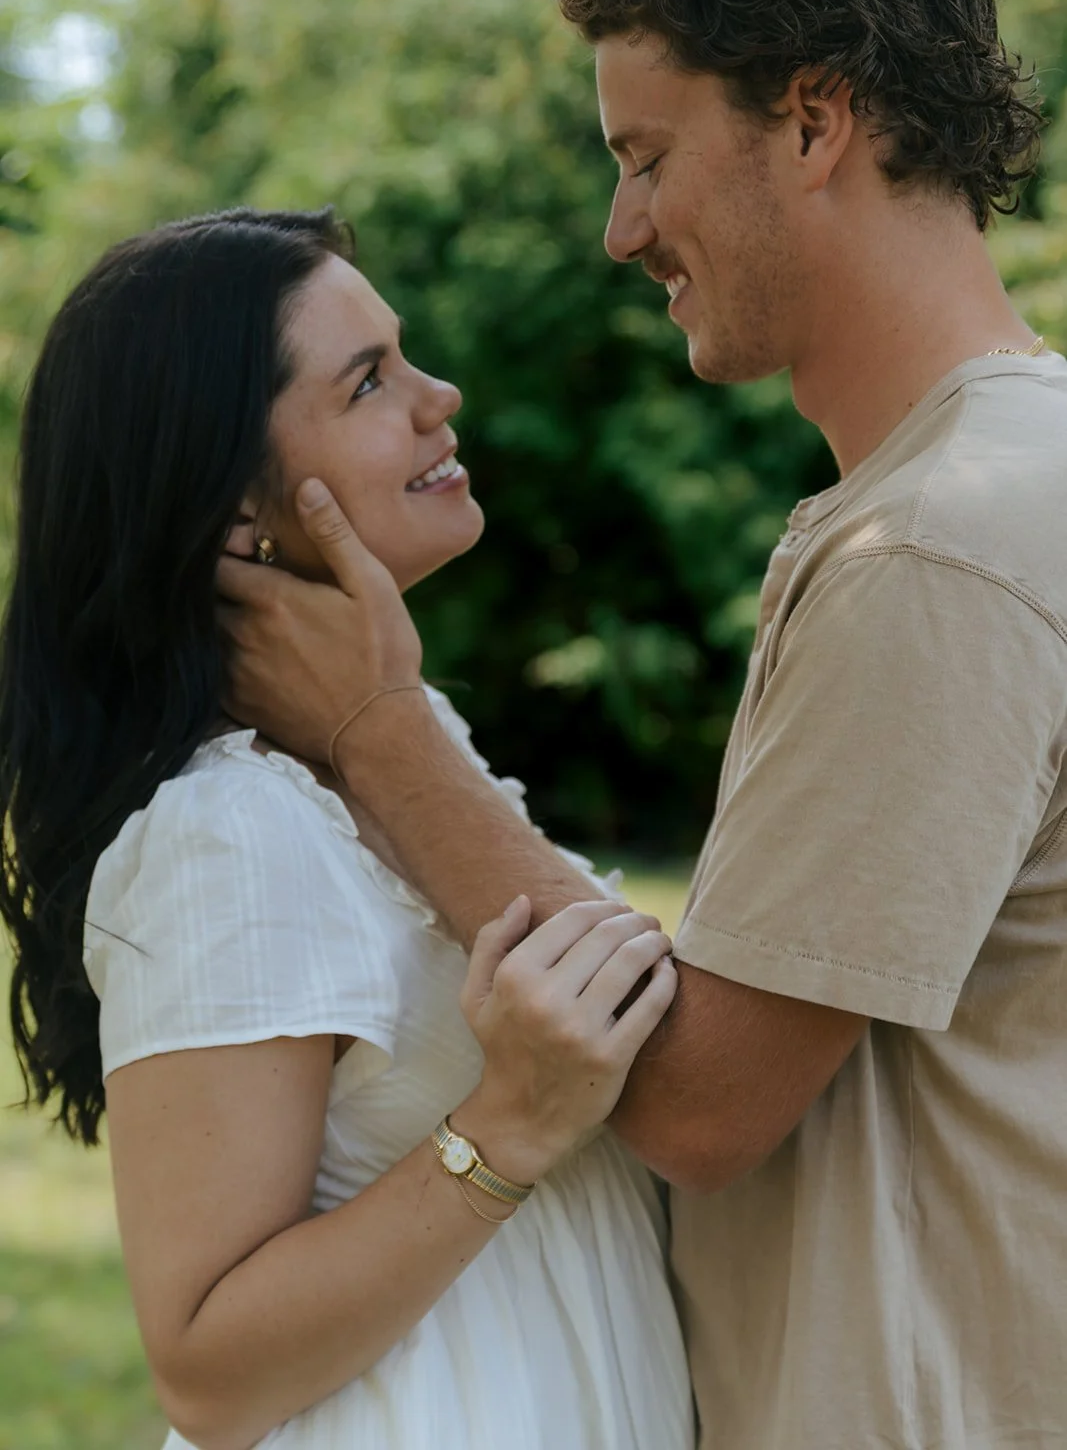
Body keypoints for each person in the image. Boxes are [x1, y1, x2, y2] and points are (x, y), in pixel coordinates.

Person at [216, 0, 1067, 1448]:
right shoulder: (969, 495)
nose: (621, 229)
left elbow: (694, 1099)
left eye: (645, 156)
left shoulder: (941, 546)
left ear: (811, 121)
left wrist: (379, 732)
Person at [0, 207, 694, 1450]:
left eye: (403, 356)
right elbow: (206, 1368)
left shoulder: (403, 745)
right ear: (229, 511)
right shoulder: (227, 829)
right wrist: (508, 1126)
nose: (440, 395)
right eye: (368, 380)